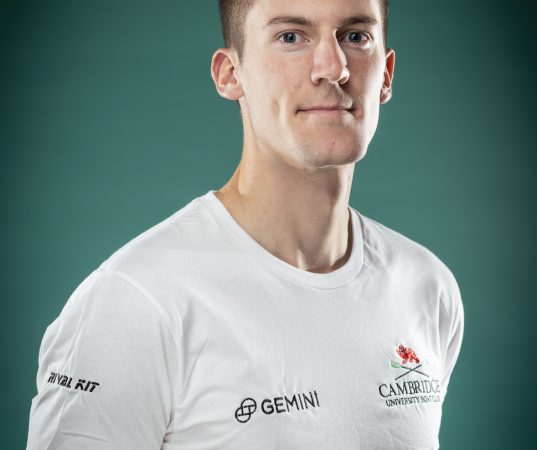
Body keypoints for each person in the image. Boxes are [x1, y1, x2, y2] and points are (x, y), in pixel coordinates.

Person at [26, 0, 464, 448]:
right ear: (230, 74)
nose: (333, 68)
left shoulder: (426, 288)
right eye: (291, 37)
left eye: (355, 36)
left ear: (385, 74)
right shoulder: (136, 302)